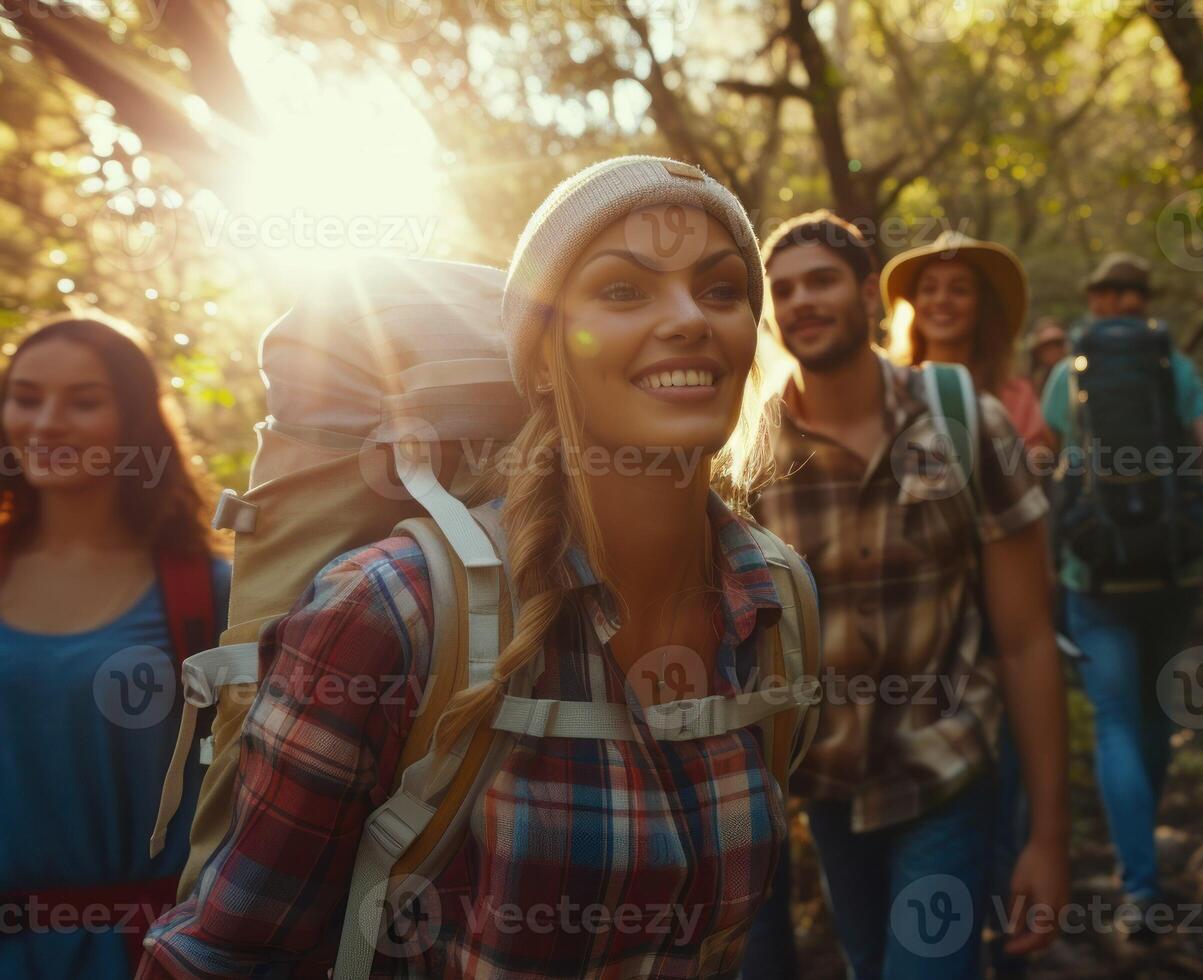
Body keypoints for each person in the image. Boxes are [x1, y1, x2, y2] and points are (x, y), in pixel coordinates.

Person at [139, 157, 810, 977]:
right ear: (537, 359)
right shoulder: (393, 612)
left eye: (721, 288)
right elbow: (223, 957)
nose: (690, 319)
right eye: (625, 292)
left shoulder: (779, 605)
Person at [748, 211, 1070, 980]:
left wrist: (1050, 839)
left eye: (821, 280)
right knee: (867, 964)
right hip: (825, 790)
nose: (801, 302)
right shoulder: (750, 457)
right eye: (782, 291)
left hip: (945, 774)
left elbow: (1027, 641)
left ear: (868, 297)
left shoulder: (968, 423)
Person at [0, 313, 231, 978]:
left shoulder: (206, 595)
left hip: (150, 956)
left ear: (133, 421)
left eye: (84, 401)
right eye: (25, 396)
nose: (46, 423)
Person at [1039, 251, 1203, 928]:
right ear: (1144, 302)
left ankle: (1139, 885)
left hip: (1095, 574)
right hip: (1171, 569)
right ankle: (1143, 852)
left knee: (1115, 719)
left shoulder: (1069, 371)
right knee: (1156, 714)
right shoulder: (1173, 367)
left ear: (1094, 302)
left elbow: (1051, 468)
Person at [883, 231, 1053, 457]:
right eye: (929, 289)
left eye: (959, 290)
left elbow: (1031, 474)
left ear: (983, 306)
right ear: (913, 303)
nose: (941, 300)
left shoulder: (1015, 396)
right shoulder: (890, 386)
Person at [1026, 318, 1067, 395]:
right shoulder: (1034, 380)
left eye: (1057, 345)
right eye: (1048, 348)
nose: (1054, 351)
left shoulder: (1070, 374)